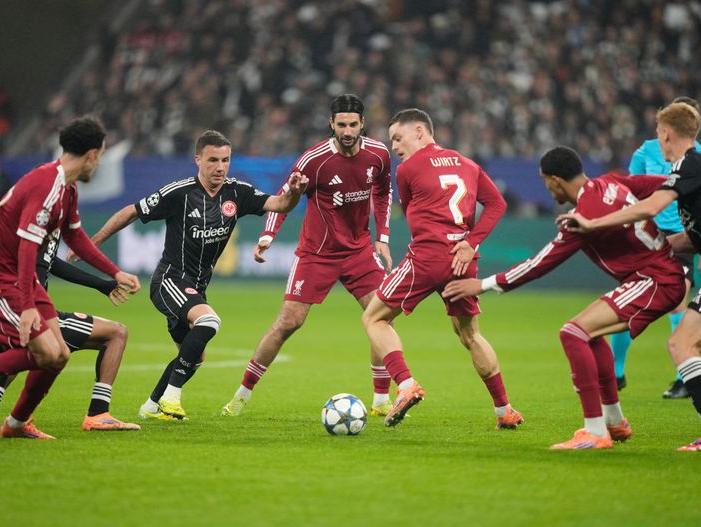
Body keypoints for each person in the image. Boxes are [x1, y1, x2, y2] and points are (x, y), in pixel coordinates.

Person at [445, 146, 685, 449]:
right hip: (655, 275)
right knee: (590, 334)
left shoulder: (581, 217)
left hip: (655, 280)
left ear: (556, 180)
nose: (547, 187)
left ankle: (595, 431)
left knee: (573, 333)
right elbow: (667, 183)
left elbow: (538, 265)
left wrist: (482, 285)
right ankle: (614, 422)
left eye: (546, 181)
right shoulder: (611, 183)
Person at [81, 130, 307, 421]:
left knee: (194, 357)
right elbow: (132, 211)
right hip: (169, 280)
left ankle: (151, 407)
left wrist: (295, 193)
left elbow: (279, 204)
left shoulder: (237, 192)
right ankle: (171, 399)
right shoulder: (179, 193)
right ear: (197, 159)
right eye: (213, 160)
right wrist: (93, 242)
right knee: (209, 321)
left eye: (225, 160)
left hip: (196, 287)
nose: (220, 167)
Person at [0, 116, 141, 439]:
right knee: (46, 353)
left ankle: (16, 424)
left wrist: (115, 272)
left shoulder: (67, 188)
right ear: (92, 154)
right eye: (102, 155)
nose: (100, 163)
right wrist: (26, 306)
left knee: (60, 354)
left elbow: (76, 239)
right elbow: (27, 248)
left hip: (15, 274)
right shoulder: (49, 187)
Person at [220, 94, 394, 418]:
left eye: (352, 124)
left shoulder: (379, 154)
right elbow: (285, 196)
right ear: (331, 123)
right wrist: (268, 235)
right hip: (317, 253)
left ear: (362, 124)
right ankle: (241, 396)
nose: (347, 130)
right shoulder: (314, 160)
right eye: (341, 124)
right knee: (289, 322)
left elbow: (383, 191)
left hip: (358, 250)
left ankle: (382, 400)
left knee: (381, 316)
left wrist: (382, 236)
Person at [361, 108, 523, 430]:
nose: (394, 146)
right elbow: (497, 204)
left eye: (398, 137)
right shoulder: (469, 164)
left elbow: (410, 212)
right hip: (464, 260)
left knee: (374, 317)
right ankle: (504, 410)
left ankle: (405, 384)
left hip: (428, 257)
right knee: (470, 334)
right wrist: (470, 241)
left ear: (420, 131)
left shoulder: (407, 169)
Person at [556, 101, 701, 451]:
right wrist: (659, 248)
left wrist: (592, 223)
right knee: (685, 343)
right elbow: (694, 238)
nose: (659, 141)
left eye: (659, 135)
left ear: (665, 134)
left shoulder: (688, 165)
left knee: (682, 344)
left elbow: (650, 206)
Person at [0, 233, 140, 432]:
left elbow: (49, 263)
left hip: (2, 315)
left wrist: (101, 284)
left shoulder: (38, 221)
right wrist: (31, 310)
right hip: (26, 314)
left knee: (21, 354)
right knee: (116, 333)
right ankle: (98, 413)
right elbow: (35, 265)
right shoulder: (43, 220)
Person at [611, 96, 701, 398]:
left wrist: (598, 223)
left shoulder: (694, 159)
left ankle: (681, 379)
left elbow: (655, 201)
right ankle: (616, 372)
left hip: (683, 235)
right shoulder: (646, 151)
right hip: (657, 237)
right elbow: (631, 188)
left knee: (678, 305)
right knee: (627, 301)